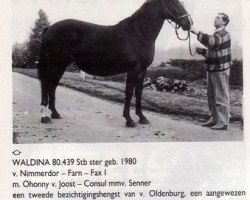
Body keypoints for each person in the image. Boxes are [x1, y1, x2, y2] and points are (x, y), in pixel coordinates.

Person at [190, 13, 233, 130]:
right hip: (213, 69)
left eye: (218, 18)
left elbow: (212, 42)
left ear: (224, 22)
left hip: (220, 70)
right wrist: (204, 52)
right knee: (211, 96)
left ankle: (223, 122)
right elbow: (214, 50)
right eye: (216, 17)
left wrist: (195, 31)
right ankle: (214, 119)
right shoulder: (218, 34)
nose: (215, 19)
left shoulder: (223, 33)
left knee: (220, 96)